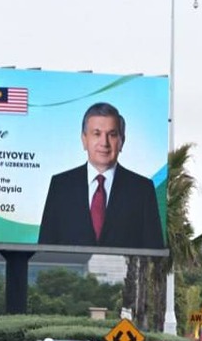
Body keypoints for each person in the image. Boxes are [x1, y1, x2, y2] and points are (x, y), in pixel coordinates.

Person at [37, 102, 165, 250]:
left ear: (122, 141)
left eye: (112, 135)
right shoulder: (60, 186)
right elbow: (44, 249)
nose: (104, 143)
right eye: (97, 134)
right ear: (84, 140)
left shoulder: (142, 190)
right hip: (70, 273)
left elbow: (154, 253)